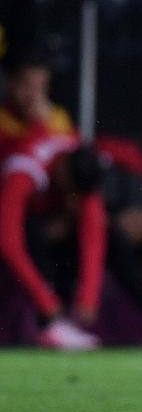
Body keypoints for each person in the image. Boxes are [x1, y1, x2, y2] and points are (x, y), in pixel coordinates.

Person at [0, 132, 106, 350]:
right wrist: (44, 299)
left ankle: (64, 321)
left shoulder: (79, 161)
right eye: (71, 192)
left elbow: (93, 233)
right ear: (64, 170)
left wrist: (89, 297)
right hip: (15, 219)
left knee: (79, 228)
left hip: (44, 218)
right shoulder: (23, 171)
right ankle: (50, 323)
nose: (72, 200)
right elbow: (7, 242)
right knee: (33, 230)